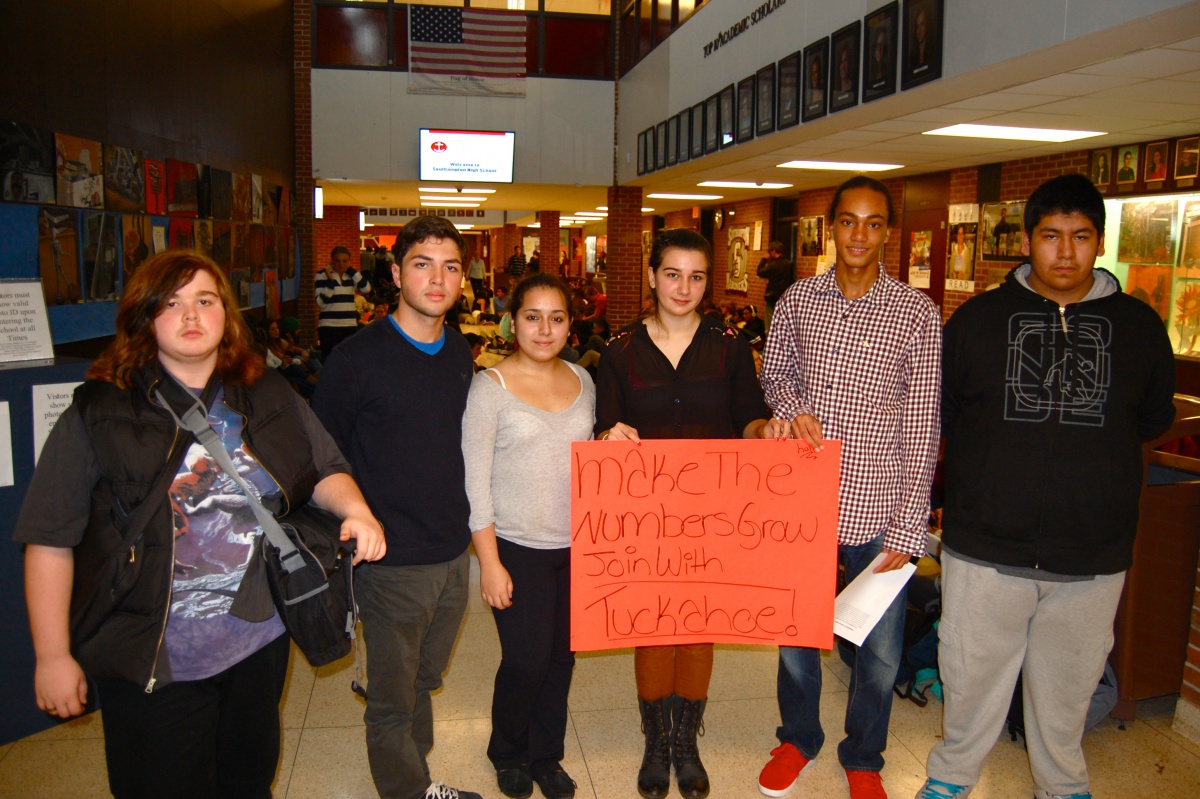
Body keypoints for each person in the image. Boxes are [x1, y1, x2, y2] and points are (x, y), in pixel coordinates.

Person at [16, 250, 385, 799]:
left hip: (257, 640)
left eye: (204, 301)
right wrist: (52, 655)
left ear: (226, 315)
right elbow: (50, 538)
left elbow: (323, 466)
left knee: (246, 780)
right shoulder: (98, 412)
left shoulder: (264, 391)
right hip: (154, 655)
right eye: (171, 303)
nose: (191, 316)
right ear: (145, 318)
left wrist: (355, 508)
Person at [914, 174, 1176, 799]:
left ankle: (1062, 784)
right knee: (971, 674)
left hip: (1092, 550)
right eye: (1051, 236)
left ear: (1100, 242)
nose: (1065, 252)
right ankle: (950, 778)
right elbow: (943, 414)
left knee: (1070, 685)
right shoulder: (978, 320)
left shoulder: (1139, 328)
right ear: (1028, 241)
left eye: (1081, 237)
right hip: (985, 545)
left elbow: (1149, 418)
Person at [757, 176, 941, 799]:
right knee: (797, 641)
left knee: (881, 653)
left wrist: (911, 526)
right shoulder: (798, 301)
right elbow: (774, 373)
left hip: (883, 504)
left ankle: (864, 755)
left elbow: (922, 422)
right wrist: (790, 404)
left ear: (887, 232)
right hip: (803, 502)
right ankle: (798, 738)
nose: (859, 234)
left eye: (872, 223)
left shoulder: (916, 313)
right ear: (829, 228)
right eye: (848, 222)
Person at [595, 228, 790, 799]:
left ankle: (687, 741)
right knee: (654, 628)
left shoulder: (729, 346)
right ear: (652, 277)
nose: (684, 287)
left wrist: (767, 429)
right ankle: (657, 742)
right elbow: (604, 426)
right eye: (673, 274)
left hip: (713, 515)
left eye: (697, 276)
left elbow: (748, 417)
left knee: (700, 626)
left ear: (707, 283)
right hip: (645, 516)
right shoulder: (619, 351)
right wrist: (608, 435)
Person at [313, 216, 483, 799]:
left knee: (421, 679)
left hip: (450, 553)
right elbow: (320, 457)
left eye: (451, 266)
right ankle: (409, 791)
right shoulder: (357, 359)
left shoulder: (460, 352)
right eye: (422, 264)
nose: (437, 279)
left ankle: (418, 765)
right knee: (392, 699)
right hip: (388, 561)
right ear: (394, 273)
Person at [463, 272, 596, 799]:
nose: (545, 329)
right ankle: (508, 750)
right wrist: (490, 563)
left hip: (578, 548)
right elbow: (475, 484)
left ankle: (546, 756)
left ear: (570, 325)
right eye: (532, 316)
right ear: (511, 321)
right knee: (525, 659)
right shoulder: (488, 387)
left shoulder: (585, 382)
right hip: (516, 547)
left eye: (557, 318)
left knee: (561, 658)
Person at [315, 245, 370, 358]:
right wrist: (331, 282)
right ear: (332, 261)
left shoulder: (351, 276)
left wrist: (352, 271)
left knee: (349, 360)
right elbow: (320, 303)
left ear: (349, 261)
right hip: (328, 326)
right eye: (338, 261)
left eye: (345, 261)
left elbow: (366, 288)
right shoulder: (321, 275)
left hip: (349, 325)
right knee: (330, 361)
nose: (341, 264)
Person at [756, 240, 795, 329]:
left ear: (773, 251)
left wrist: (764, 260)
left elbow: (760, 272)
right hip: (785, 298)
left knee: (770, 324)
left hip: (772, 298)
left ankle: (771, 341)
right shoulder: (789, 264)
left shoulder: (773, 265)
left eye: (770, 252)